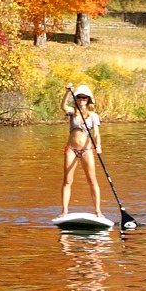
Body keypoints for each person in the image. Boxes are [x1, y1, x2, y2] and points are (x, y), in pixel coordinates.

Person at [61, 82, 103, 217]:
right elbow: (63, 106)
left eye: (84, 98)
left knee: (92, 180)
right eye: (79, 97)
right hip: (71, 149)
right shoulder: (73, 112)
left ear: (88, 100)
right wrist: (68, 92)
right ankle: (64, 211)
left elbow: (96, 133)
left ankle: (98, 211)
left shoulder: (93, 116)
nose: (82, 100)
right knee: (67, 180)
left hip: (86, 150)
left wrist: (98, 145)